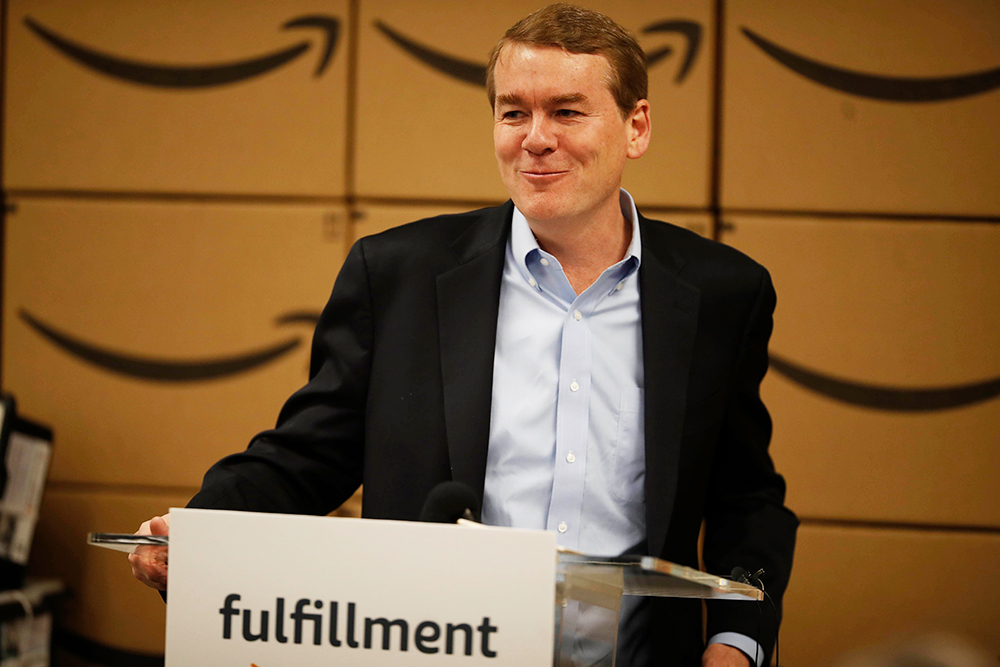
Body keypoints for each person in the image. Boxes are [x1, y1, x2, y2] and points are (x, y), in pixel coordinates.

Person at [131, 4, 797, 666]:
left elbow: (747, 497)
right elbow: (306, 455)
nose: (535, 137)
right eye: (514, 112)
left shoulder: (722, 294)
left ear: (636, 126)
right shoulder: (397, 276)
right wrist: (198, 531)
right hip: (433, 649)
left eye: (567, 112)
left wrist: (735, 643)